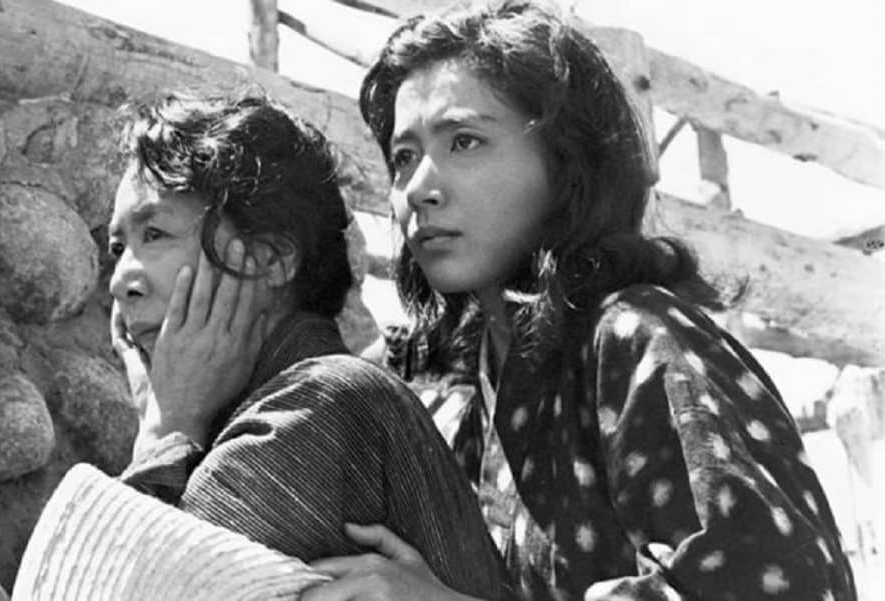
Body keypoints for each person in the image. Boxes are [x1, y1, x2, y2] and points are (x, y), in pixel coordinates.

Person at [302, 2, 859, 600]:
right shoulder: (469, 385)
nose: (417, 188)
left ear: (566, 164)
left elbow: (770, 586)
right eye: (404, 157)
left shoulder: (640, 338)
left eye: (464, 141)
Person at [105, 93, 505, 599]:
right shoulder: (283, 405)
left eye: (155, 234)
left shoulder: (315, 407)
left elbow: (133, 589)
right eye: (117, 248)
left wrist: (165, 430)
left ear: (272, 260)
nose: (121, 281)